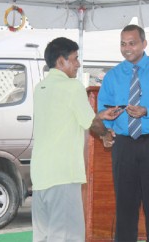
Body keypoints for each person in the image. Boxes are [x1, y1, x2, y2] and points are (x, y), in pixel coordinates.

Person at [30, 37, 122, 242]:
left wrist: (98, 117)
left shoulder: (40, 89)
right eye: (74, 59)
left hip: (40, 175)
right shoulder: (72, 87)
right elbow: (91, 124)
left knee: (44, 237)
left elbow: (66, 119)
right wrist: (106, 134)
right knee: (67, 237)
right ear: (61, 61)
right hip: (63, 174)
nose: (78, 64)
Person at [97, 24, 149, 242]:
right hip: (124, 146)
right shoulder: (113, 75)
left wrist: (147, 111)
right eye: (123, 44)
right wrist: (108, 120)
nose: (127, 48)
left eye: (132, 43)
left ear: (144, 43)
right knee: (125, 207)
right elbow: (100, 109)